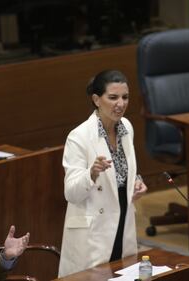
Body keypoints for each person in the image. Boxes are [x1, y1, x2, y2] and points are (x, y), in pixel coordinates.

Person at [58, 70, 148, 277]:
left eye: (125, 97)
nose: (121, 103)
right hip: (93, 232)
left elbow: (125, 170)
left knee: (123, 274)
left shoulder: (126, 127)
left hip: (123, 221)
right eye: (113, 97)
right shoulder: (78, 137)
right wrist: (91, 174)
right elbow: (71, 193)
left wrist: (137, 181)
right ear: (97, 99)